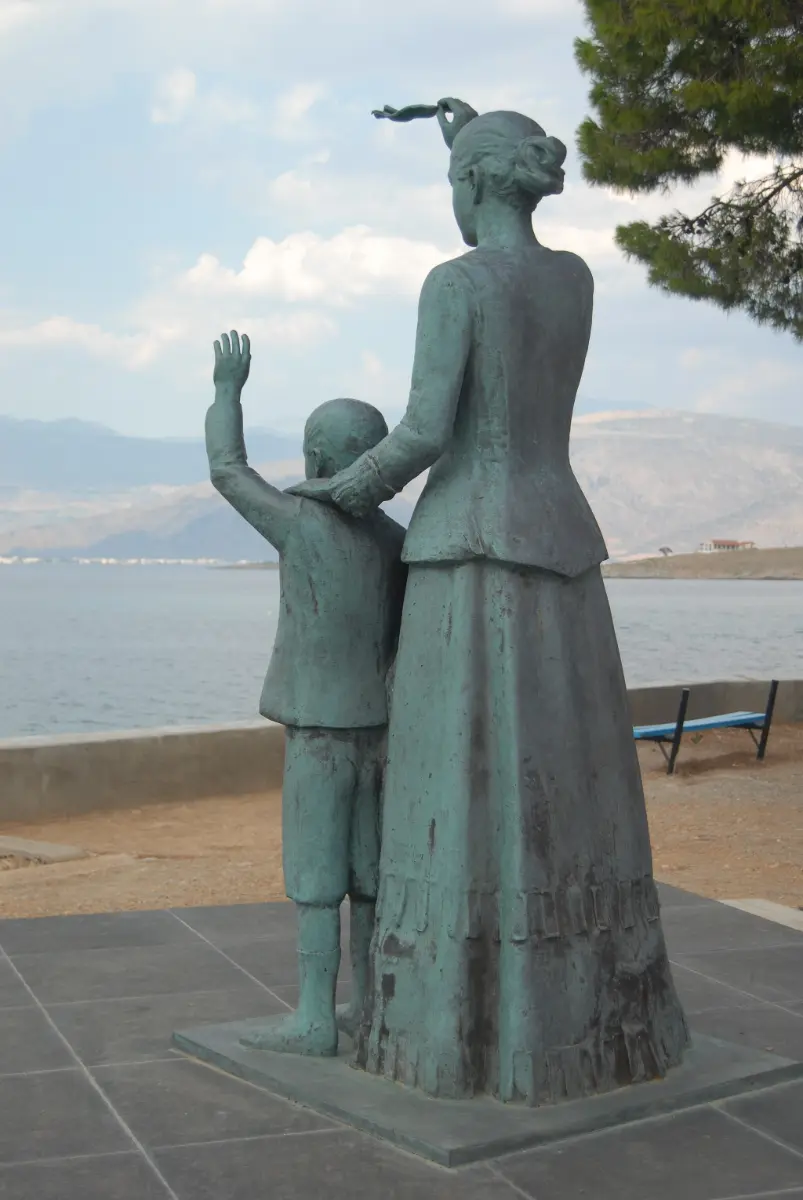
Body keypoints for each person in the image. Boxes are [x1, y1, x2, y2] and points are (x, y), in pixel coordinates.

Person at [293, 101, 689, 1102]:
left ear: (470, 187)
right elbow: (517, 370)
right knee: (559, 784)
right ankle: (587, 1024)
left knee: (459, 791)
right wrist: (471, 140)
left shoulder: (453, 282)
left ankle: (455, 1027)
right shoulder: (573, 280)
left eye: (453, 183)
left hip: (469, 555)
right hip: (559, 542)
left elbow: (426, 428)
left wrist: (348, 490)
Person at [206, 331, 406, 1056]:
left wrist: (228, 391)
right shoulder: (395, 542)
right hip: (379, 728)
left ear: (318, 460)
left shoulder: (301, 524)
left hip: (320, 731)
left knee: (318, 878)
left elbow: (228, 469)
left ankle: (316, 1018)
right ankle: (371, 1006)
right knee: (371, 875)